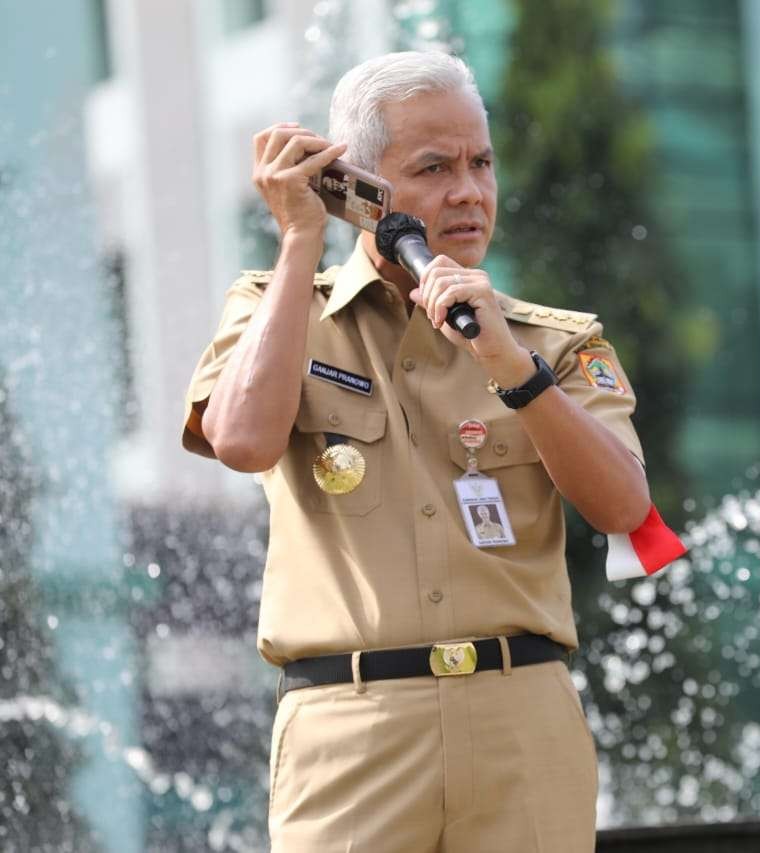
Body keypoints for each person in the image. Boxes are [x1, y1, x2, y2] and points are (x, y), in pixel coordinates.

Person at [181, 49, 676, 852]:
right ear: (358, 183)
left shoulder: (552, 340)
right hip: (350, 729)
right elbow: (240, 441)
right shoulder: (275, 308)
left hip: (523, 722)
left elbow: (627, 508)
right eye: (433, 167)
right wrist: (302, 237)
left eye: (481, 162)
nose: (470, 192)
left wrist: (511, 366)